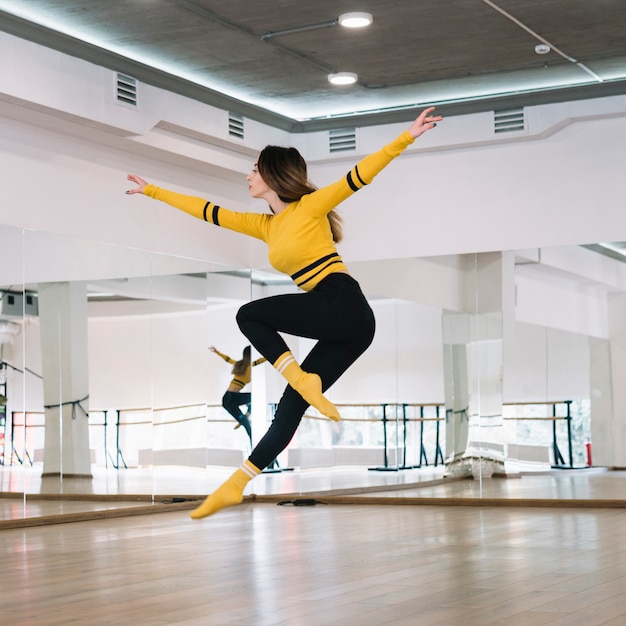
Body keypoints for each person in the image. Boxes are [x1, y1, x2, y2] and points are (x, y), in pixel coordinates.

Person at [126, 106, 442, 519]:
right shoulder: (266, 225)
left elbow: (362, 174)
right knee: (290, 407)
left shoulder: (311, 207)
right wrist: (153, 191)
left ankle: (301, 379)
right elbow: (207, 211)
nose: (248, 175)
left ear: (274, 174)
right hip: (348, 325)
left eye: (254, 169)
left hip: (341, 302)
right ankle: (237, 483)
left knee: (249, 315)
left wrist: (407, 136)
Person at [210, 344, 266, 446]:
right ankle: (245, 421)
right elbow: (228, 359)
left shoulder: (244, 364)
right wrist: (217, 352)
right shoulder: (244, 365)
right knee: (248, 425)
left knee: (256, 398)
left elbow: (265, 359)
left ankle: (245, 417)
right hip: (230, 399)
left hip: (231, 398)